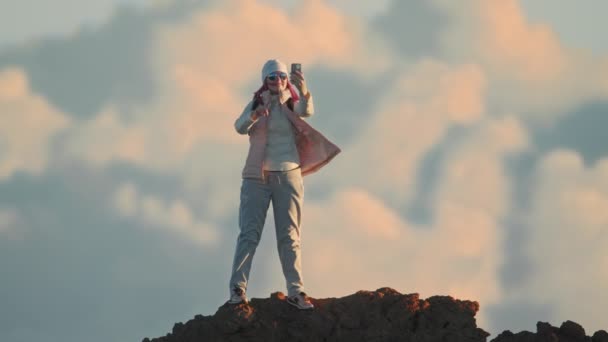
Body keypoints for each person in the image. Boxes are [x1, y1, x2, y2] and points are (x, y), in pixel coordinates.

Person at [228, 59, 340, 310]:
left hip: (288, 175)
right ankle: (238, 289)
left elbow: (305, 111)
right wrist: (255, 115)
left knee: (289, 236)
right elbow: (239, 126)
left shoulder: (291, 100)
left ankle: (296, 291)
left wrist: (303, 89)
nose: (277, 81)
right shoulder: (258, 102)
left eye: (280, 76)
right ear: (264, 80)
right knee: (248, 234)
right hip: (258, 177)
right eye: (271, 77)